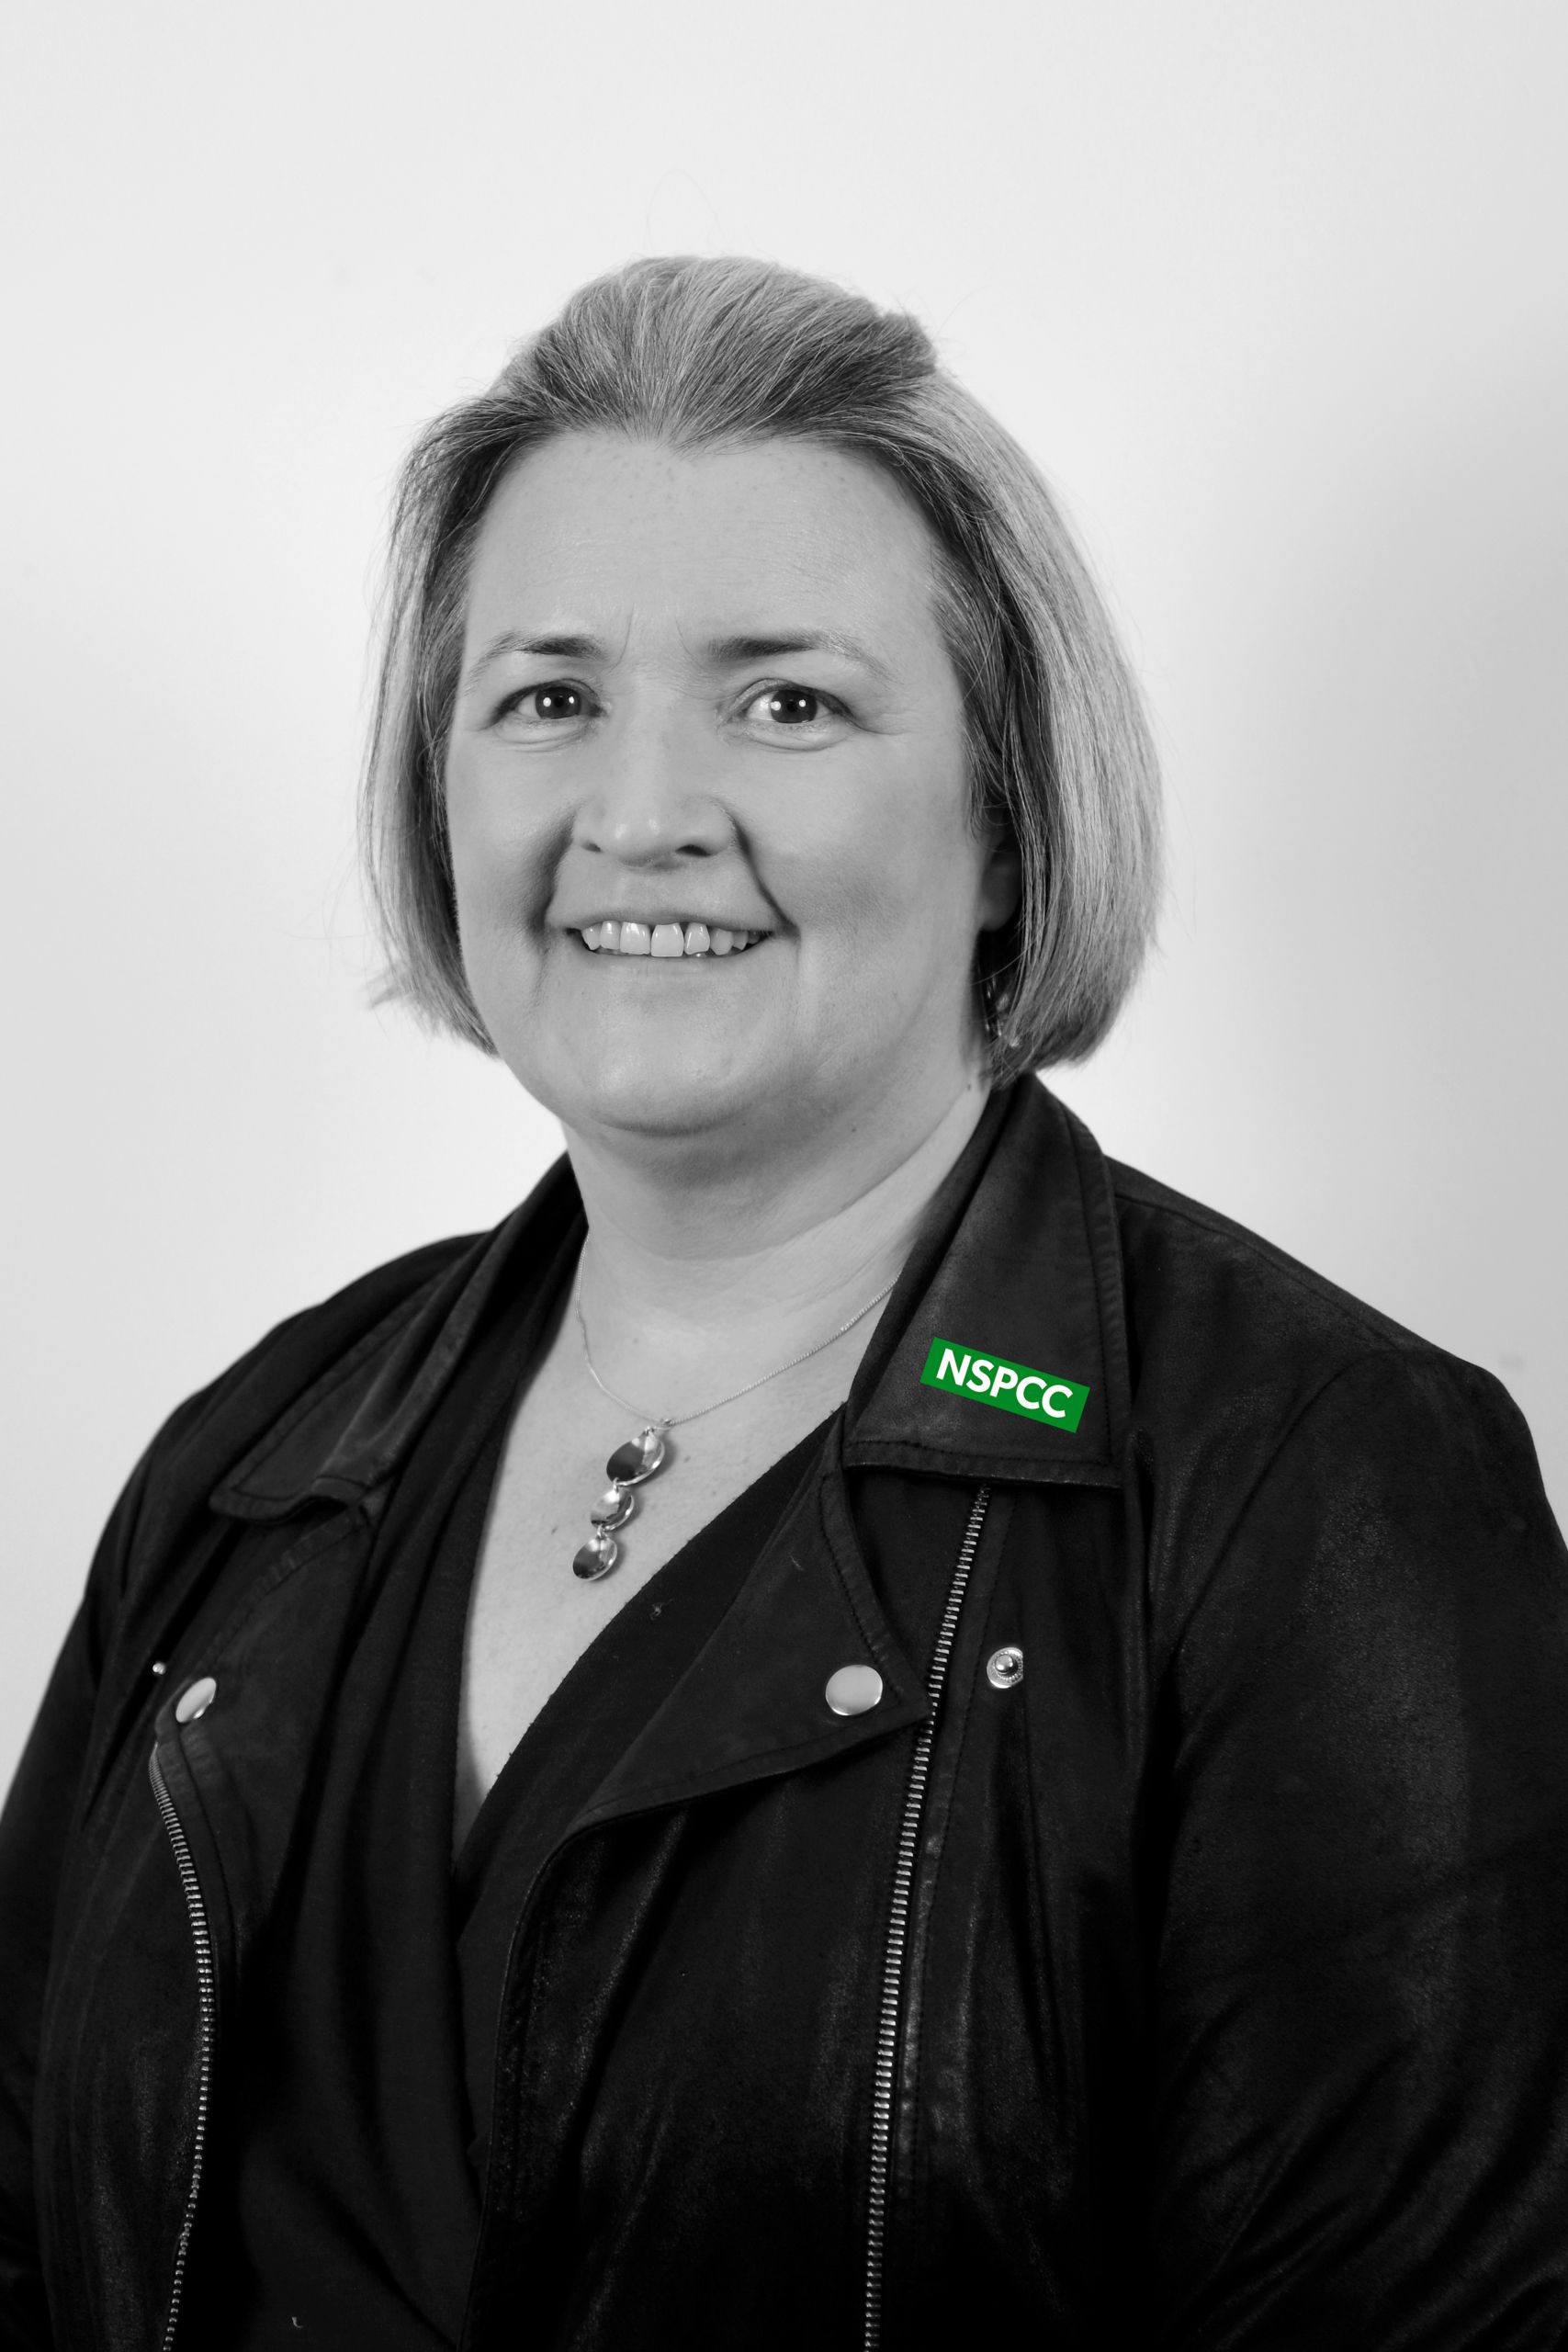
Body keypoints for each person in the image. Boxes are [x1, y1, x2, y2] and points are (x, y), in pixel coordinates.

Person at [2, 254, 1564, 2352]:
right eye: (549, 698)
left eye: (787, 702)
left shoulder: (1311, 1484)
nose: (642, 815)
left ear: (1006, 819)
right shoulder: (255, 1457)